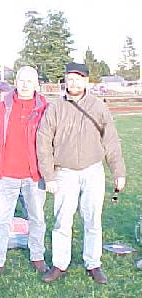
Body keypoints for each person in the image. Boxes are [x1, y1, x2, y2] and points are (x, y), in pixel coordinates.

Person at [36, 62, 126, 284]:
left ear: (86, 81)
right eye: (70, 78)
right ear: (65, 80)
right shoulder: (55, 108)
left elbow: (111, 141)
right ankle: (59, 264)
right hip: (64, 172)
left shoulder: (98, 106)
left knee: (93, 219)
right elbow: (43, 141)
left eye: (78, 78)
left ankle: (93, 263)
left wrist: (118, 171)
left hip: (93, 170)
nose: (74, 82)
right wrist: (48, 175)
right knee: (62, 221)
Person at [0, 66, 48, 279]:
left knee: (37, 217)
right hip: (7, 174)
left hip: (34, 174)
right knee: (2, 219)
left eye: (30, 81)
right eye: (21, 80)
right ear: (15, 82)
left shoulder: (45, 108)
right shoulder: (2, 107)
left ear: (36, 84)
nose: (25, 85)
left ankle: (37, 256)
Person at [0, 81, 28, 219]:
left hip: (24, 164)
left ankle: (26, 228)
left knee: (27, 201)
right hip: (4, 165)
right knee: (2, 204)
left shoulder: (19, 109)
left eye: (2, 94)